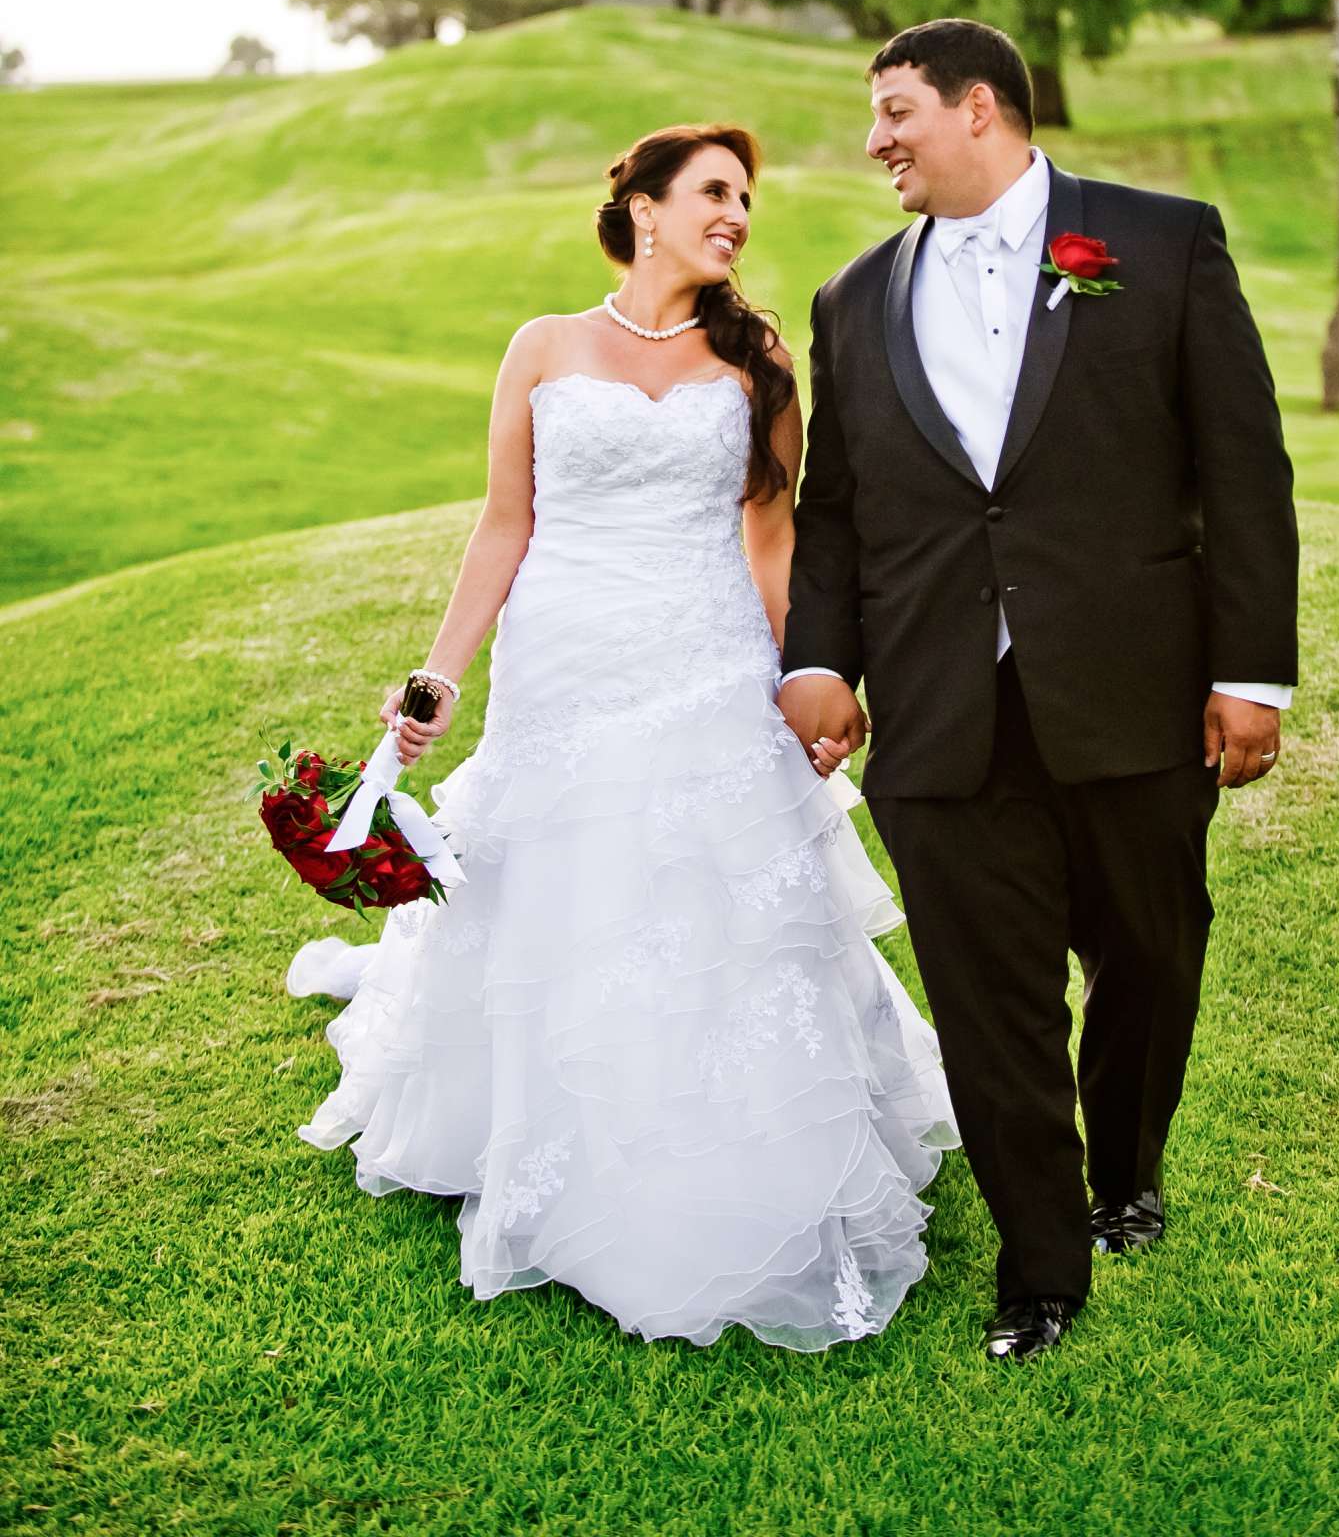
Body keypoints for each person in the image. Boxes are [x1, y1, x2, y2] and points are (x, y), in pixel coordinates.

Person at [285, 123, 956, 1349]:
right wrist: (437, 676)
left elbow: (772, 546)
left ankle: (729, 1144)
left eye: (747, 198)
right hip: (564, 661)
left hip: (710, 663)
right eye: (713, 191)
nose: (738, 213)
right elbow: (503, 525)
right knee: (562, 881)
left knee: (719, 894)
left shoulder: (757, 368)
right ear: (643, 209)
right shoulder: (543, 346)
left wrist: (805, 678)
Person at [778, 20, 1298, 1363]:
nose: (878, 138)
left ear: (982, 110)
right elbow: (834, 511)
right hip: (943, 711)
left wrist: (1251, 675)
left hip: (1134, 689)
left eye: (896, 110)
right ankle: (1040, 1269)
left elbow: (1244, 470)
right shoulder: (852, 300)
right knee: (987, 995)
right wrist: (820, 657)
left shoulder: (1155, 242)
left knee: (1148, 951)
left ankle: (1127, 1166)